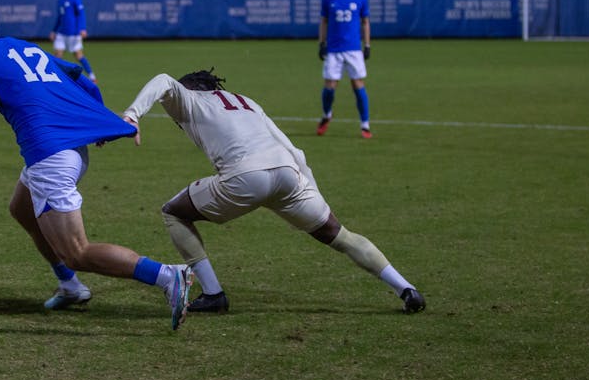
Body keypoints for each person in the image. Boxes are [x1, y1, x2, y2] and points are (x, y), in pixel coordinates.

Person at [0, 0, 194, 330]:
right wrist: (95, 120)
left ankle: (169, 277)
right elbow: (82, 77)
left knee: (77, 252)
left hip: (50, 158)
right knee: (21, 209)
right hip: (70, 150)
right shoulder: (27, 48)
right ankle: (70, 286)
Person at [121, 68, 425, 315]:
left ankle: (213, 294)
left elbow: (162, 80)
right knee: (340, 235)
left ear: (192, 89)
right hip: (289, 175)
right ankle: (406, 288)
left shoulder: (190, 99)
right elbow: (293, 149)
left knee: (173, 212)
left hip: (244, 177)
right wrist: (312, 194)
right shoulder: (248, 102)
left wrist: (133, 115)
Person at [316, 0, 372, 138]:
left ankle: (365, 125)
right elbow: (324, 22)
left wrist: (367, 45)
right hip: (333, 50)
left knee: (357, 84)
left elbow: (365, 22)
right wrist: (322, 43)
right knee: (330, 86)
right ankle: (327, 116)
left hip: (354, 49)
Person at [49, 0, 96, 81]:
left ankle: (92, 75)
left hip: (74, 33)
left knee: (78, 55)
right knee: (57, 55)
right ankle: (56, 77)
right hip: (61, 33)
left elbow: (81, 14)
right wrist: (54, 31)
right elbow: (59, 17)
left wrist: (82, 28)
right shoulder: (60, 1)